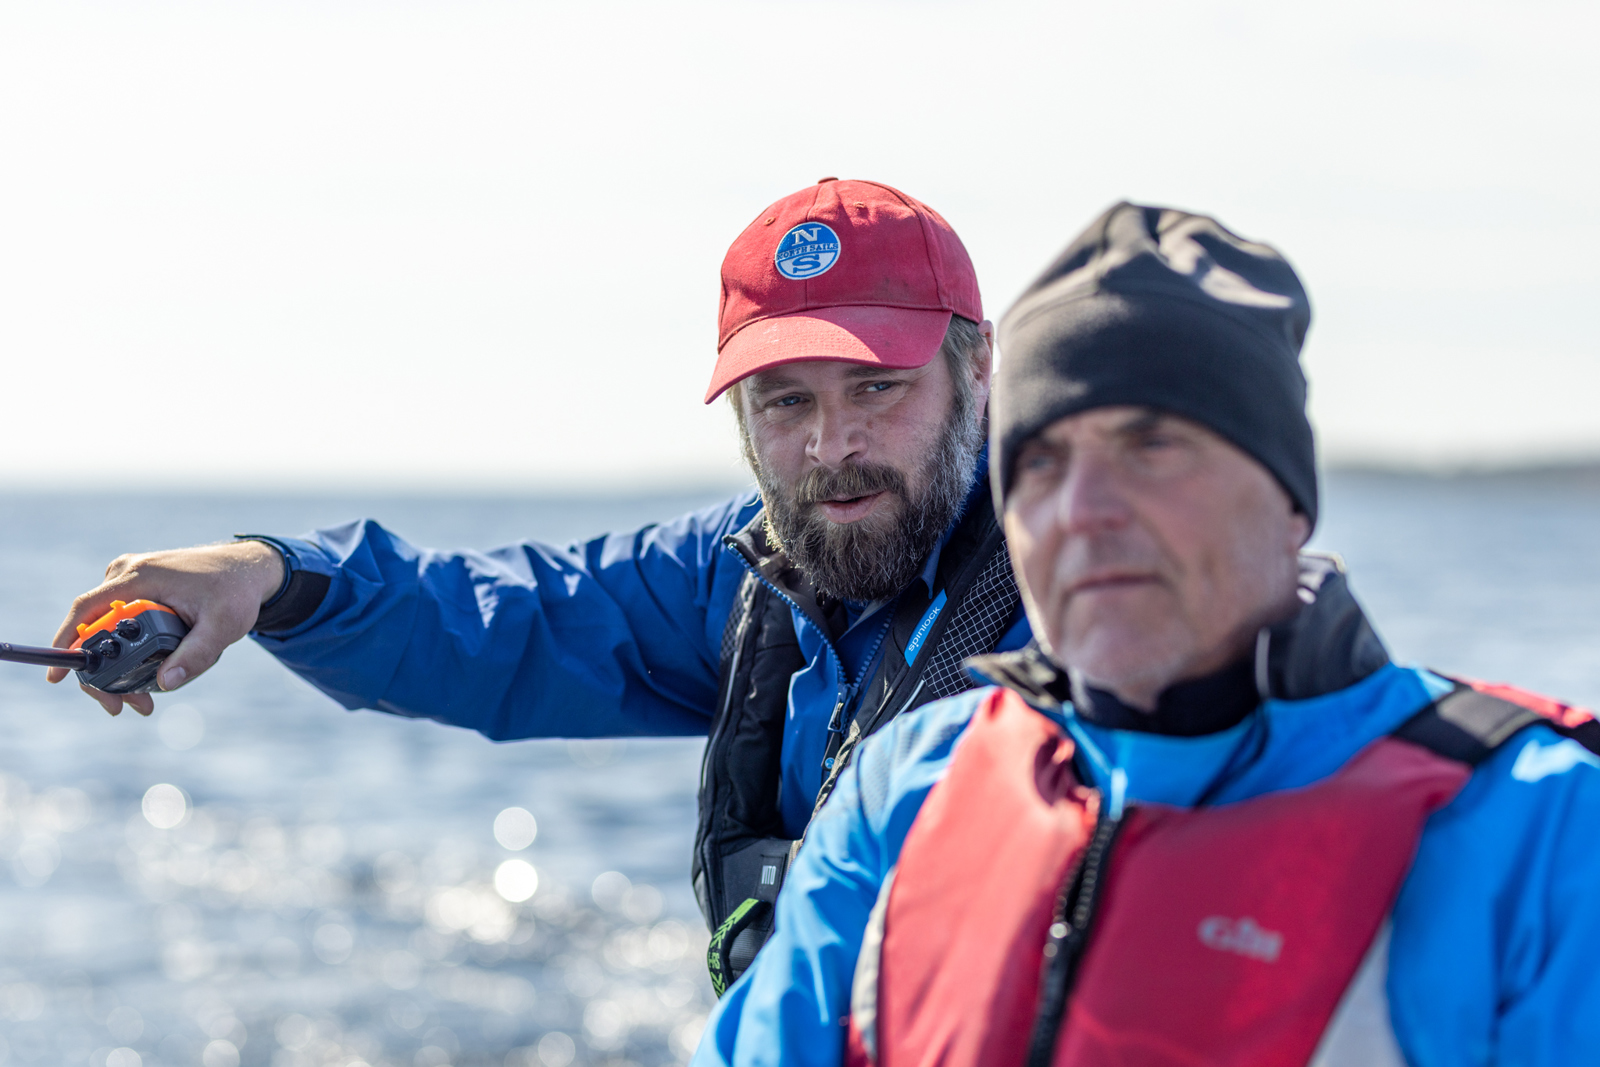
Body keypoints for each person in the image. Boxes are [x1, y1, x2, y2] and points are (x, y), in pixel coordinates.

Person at [48, 178, 1032, 992]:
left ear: (979, 366)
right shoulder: (740, 572)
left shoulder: (1075, 594)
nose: (832, 445)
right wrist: (273, 575)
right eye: (785, 401)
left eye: (878, 386)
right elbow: (507, 619)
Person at [693, 203, 1600, 1066]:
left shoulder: (1540, 823)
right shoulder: (907, 787)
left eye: (1151, 446)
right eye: (1041, 461)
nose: (1082, 510)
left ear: (1290, 497)